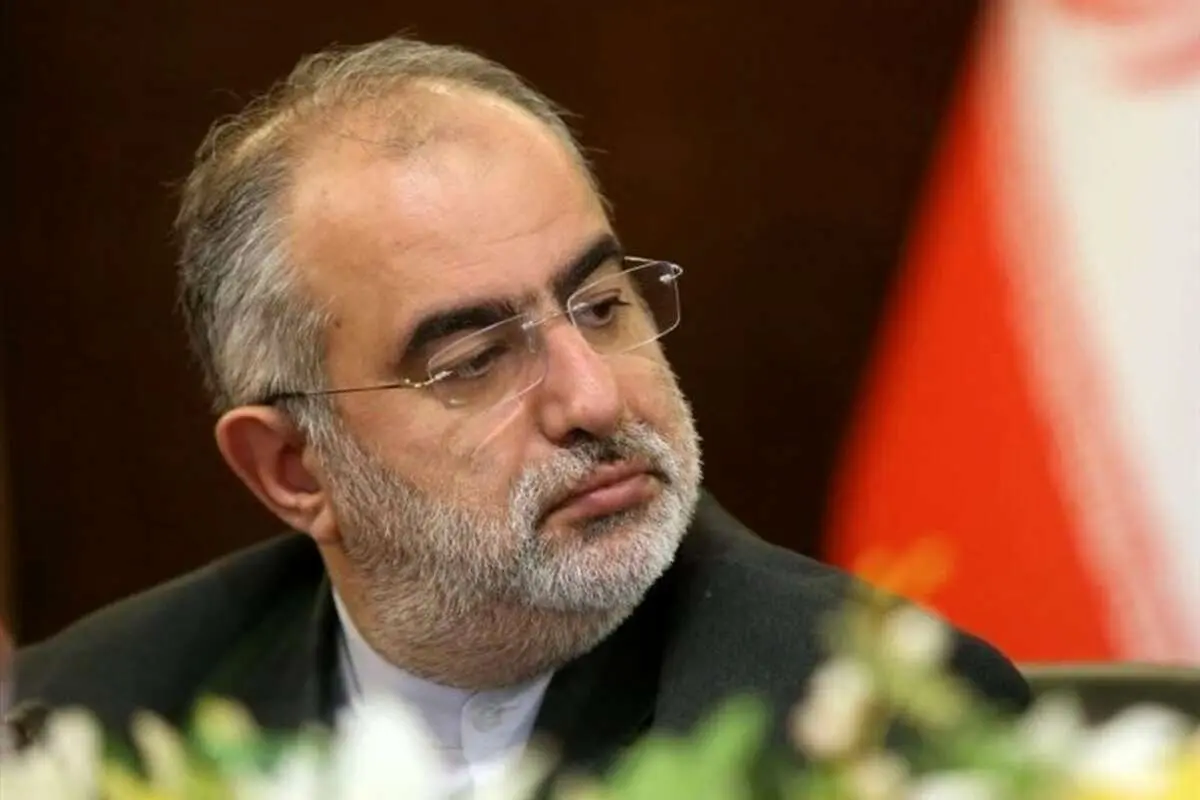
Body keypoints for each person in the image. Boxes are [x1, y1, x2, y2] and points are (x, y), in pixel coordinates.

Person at [13, 35, 1029, 793]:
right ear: (293, 467)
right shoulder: (86, 730)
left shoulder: (881, 727)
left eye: (602, 305)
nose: (594, 397)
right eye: (474, 361)